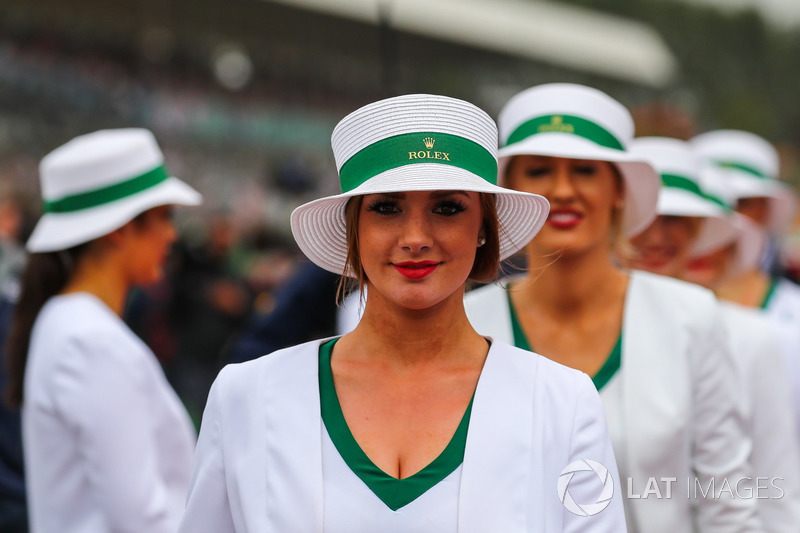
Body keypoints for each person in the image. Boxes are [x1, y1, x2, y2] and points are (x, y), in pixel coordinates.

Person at [179, 94, 626, 531]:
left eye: (447, 207)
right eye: (387, 207)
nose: (416, 237)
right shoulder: (247, 396)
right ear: (352, 228)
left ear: (484, 228)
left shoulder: (563, 404)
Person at [464, 84, 762, 532]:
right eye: (540, 171)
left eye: (585, 171)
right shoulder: (466, 321)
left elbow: (727, 500)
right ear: (511, 189)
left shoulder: (690, 317)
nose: (562, 191)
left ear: (619, 189)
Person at [4, 128, 202, 532]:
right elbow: (140, 518)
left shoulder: (67, 322)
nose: (172, 234)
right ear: (120, 228)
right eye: (164, 216)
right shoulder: (89, 340)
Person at [627, 136, 800, 531]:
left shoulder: (752, 337)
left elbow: (776, 494)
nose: (656, 237)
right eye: (645, 218)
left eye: (674, 220)